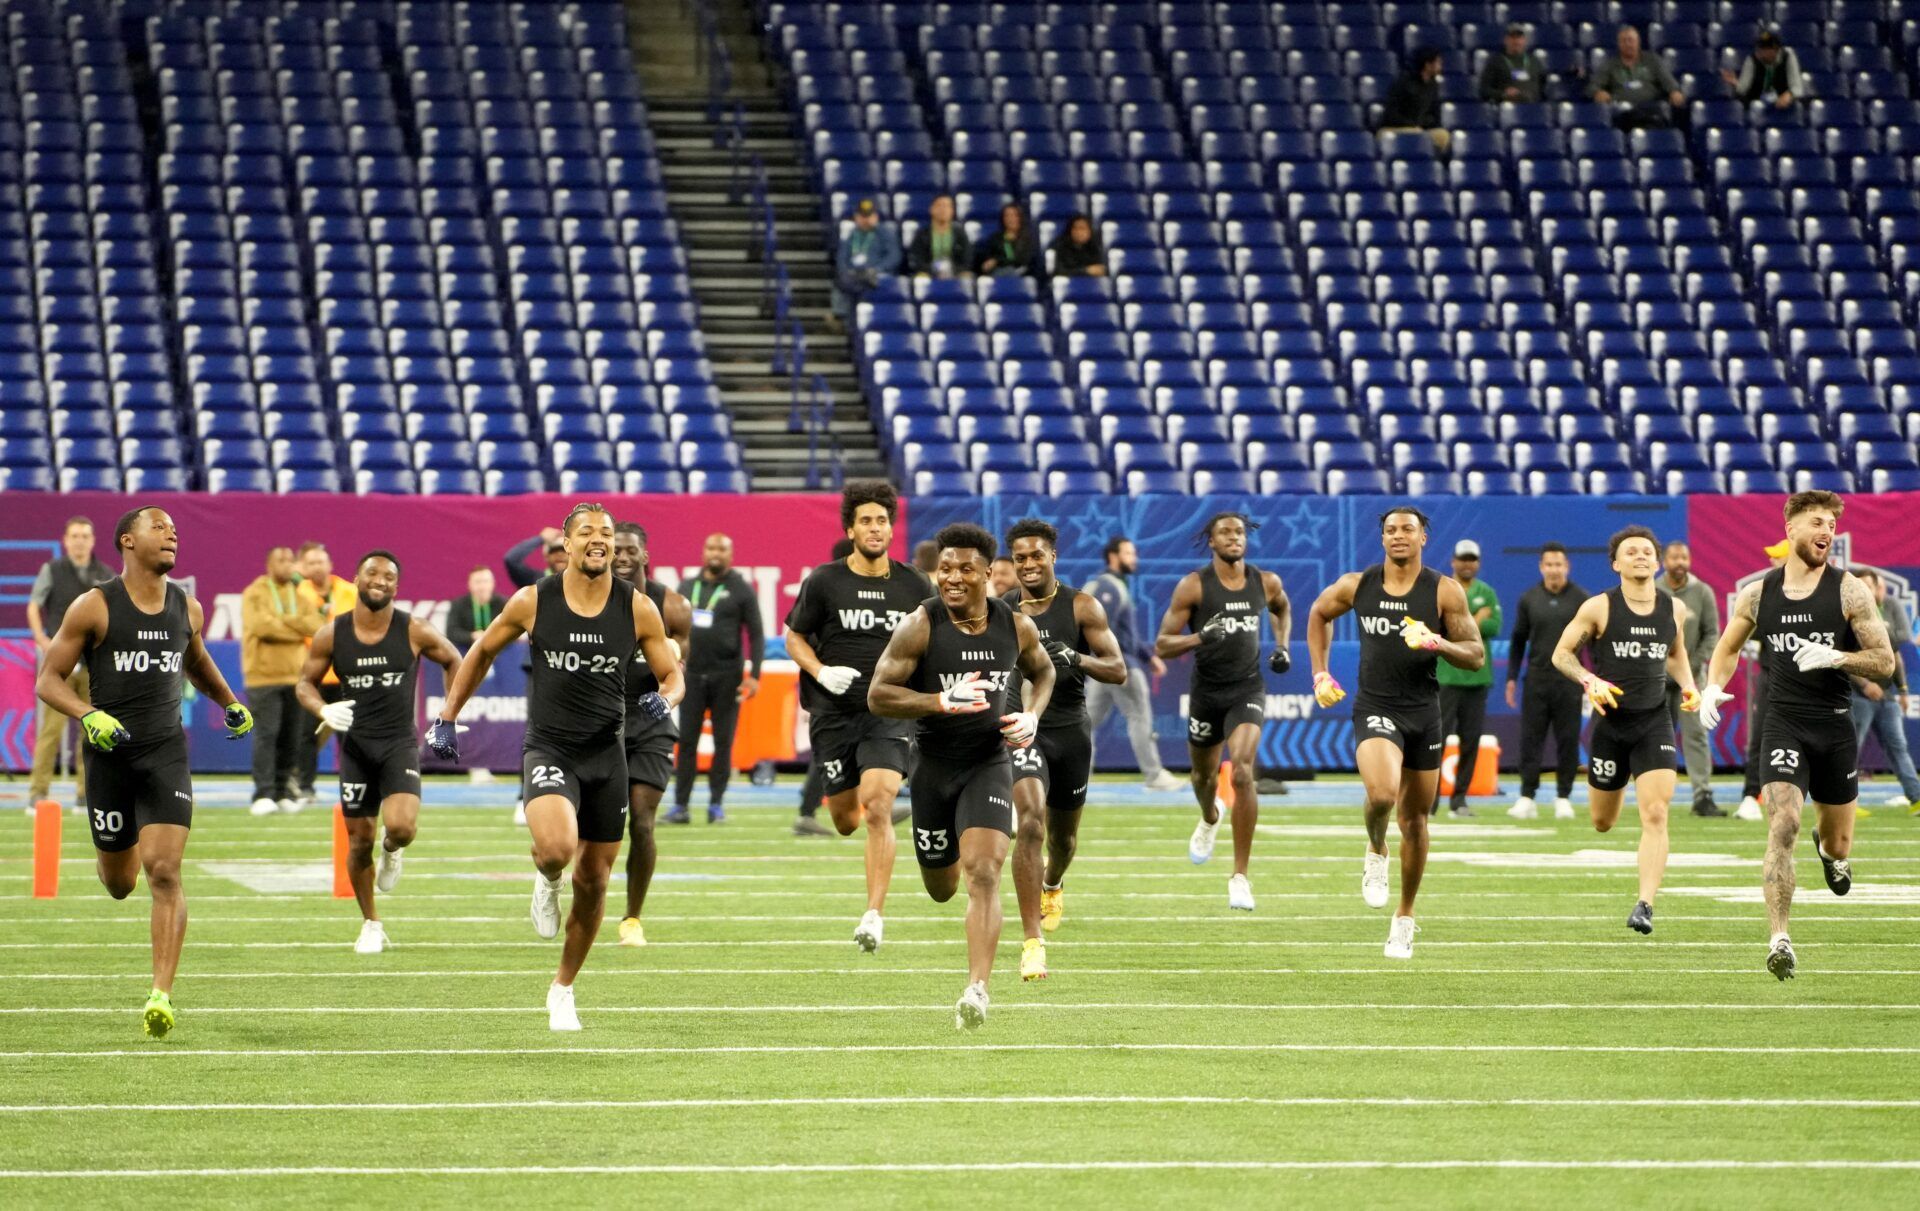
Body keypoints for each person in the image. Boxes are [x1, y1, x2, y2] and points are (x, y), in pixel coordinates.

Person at [427, 503, 683, 1029]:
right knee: (557, 849)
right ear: (564, 546)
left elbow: (671, 674)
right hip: (550, 748)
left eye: (606, 533)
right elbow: (479, 654)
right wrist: (447, 716)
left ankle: (563, 987)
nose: (599, 539)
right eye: (586, 532)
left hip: (607, 753)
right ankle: (545, 879)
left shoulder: (638, 608)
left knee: (595, 881)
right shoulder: (532, 600)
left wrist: (667, 699)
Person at [35, 506, 253, 1037]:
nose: (172, 533)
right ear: (127, 541)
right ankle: (118, 848)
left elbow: (195, 659)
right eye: (160, 527)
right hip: (109, 758)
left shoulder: (188, 607)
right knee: (119, 882)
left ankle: (161, 994)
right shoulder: (94, 606)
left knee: (164, 871)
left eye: (174, 528)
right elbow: (49, 680)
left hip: (164, 754)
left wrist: (230, 702)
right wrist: (89, 714)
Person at [1699, 491, 1894, 980]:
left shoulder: (1850, 591)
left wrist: (1837, 658)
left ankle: (1828, 853)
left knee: (1840, 842)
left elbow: (1885, 663)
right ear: (1790, 531)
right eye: (1816, 522)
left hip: (1834, 724)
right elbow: (1726, 648)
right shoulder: (1759, 593)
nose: (1826, 531)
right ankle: (1779, 937)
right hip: (1783, 723)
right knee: (1782, 821)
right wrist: (1711, 689)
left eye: (1831, 523)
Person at [868, 522, 1054, 1029]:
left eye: (964, 569)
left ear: (989, 573)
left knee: (985, 872)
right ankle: (937, 854)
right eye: (945, 568)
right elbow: (878, 694)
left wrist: (1032, 715)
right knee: (941, 886)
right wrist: (938, 700)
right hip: (932, 768)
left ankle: (977, 988)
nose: (951, 578)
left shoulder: (1015, 625)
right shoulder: (920, 625)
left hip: (988, 763)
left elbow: (1044, 672)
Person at [1308, 507, 1485, 961]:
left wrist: (1437, 642)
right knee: (1383, 795)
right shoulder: (1357, 584)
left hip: (1424, 712)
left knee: (1417, 821)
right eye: (1390, 530)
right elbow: (1318, 614)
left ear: (1424, 537)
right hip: (1375, 706)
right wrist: (1320, 673)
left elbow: (1475, 654)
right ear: (1382, 538)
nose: (1398, 536)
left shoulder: (1444, 591)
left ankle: (1404, 918)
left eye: (1408, 529)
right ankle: (1375, 848)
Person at [783, 482, 933, 948]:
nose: (875, 528)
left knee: (880, 802)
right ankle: (846, 811)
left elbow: (932, 643)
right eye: (866, 520)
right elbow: (794, 637)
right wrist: (821, 671)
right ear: (850, 528)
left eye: (882, 520)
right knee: (846, 817)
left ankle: (873, 914)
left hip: (887, 711)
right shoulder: (824, 581)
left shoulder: (914, 585)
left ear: (892, 528)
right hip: (832, 714)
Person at [296, 551, 461, 954]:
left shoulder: (413, 628)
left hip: (399, 744)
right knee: (357, 842)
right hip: (355, 746)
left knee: (401, 828)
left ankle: (392, 850)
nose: (380, 580)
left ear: (396, 586)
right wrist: (322, 708)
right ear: (356, 579)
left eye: (389, 576)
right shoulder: (333, 633)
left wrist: (448, 715)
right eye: (372, 573)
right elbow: (305, 684)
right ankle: (371, 922)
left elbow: (456, 660)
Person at [1550, 527, 1702, 936]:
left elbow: (1675, 654)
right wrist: (1588, 679)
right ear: (1616, 563)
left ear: (1657, 562)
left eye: (1646, 552)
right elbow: (1561, 654)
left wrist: (1689, 685)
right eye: (1630, 552)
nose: (1640, 556)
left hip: (1654, 721)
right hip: (1611, 726)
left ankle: (1645, 904)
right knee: (1603, 822)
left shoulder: (1674, 610)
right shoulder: (1599, 607)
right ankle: (1607, 810)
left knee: (1656, 813)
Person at [1003, 517, 1128, 981]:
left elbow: (1117, 670)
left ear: (1053, 556)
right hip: (1023, 728)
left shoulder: (1082, 607)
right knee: (1031, 821)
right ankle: (1031, 942)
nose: (1029, 564)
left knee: (1063, 838)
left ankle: (1053, 883)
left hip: (1070, 731)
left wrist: (1075, 657)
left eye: (1037, 555)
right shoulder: (1001, 609)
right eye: (1020, 558)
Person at [1155, 513, 1291, 911]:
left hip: (1247, 688)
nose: (1234, 537)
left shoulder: (1265, 582)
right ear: (1211, 542)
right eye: (1225, 533)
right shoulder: (1194, 586)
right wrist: (1200, 636)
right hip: (1206, 693)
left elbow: (1281, 609)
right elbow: (1163, 644)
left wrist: (1281, 646)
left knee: (1244, 771)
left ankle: (1240, 877)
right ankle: (1210, 817)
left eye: (1239, 532)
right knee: (1203, 777)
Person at [612, 523, 692, 948]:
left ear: (645, 554)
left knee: (642, 822)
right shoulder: (593, 600)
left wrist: (671, 656)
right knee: (597, 827)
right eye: (614, 552)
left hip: (652, 721)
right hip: (601, 719)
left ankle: (632, 918)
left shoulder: (673, 604)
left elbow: (681, 662)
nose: (621, 559)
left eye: (629, 551)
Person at [667, 532, 764, 824]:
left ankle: (716, 805)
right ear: (703, 551)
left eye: (722, 548)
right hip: (692, 674)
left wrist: (755, 675)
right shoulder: (687, 585)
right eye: (711, 547)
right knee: (686, 742)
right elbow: (671, 629)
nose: (716, 553)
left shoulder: (741, 589)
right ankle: (680, 806)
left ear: (731, 555)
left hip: (728, 676)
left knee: (723, 743)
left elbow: (756, 634)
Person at [26, 516, 115, 807]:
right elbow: (33, 605)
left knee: (92, 731)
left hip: (93, 666)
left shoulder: (105, 574)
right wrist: (42, 639)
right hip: (60, 668)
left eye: (85, 536)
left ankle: (86, 794)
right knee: (51, 731)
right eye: (74, 536)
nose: (79, 541)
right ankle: (38, 792)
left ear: (93, 540)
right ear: (65, 540)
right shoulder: (52, 569)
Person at [1086, 535, 1181, 791]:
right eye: (1129, 553)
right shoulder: (1108, 587)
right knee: (1140, 717)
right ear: (1114, 556)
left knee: (1084, 723)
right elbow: (1103, 628)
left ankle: (1078, 776)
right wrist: (1121, 662)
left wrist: (1149, 657)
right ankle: (1154, 775)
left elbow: (1126, 633)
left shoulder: (1114, 585)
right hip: (1120, 666)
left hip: (1101, 666)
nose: (1134, 559)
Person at [1505, 542, 1589, 819]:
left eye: (1558, 564)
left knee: (1567, 740)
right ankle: (1527, 796)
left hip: (1570, 681)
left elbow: (1595, 643)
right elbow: (1518, 641)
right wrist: (1511, 679)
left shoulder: (1581, 599)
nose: (1554, 569)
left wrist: (1592, 679)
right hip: (1537, 681)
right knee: (1531, 740)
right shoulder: (1529, 599)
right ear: (1541, 567)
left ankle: (1563, 797)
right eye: (1549, 564)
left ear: (1567, 567)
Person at [241, 546, 324, 816]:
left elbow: (315, 625)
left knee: (291, 737)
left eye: (291, 560)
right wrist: (295, 627)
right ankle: (263, 793)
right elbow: (261, 627)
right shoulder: (255, 592)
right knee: (267, 734)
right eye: (281, 560)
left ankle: (283, 791)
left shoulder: (299, 595)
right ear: (269, 564)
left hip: (295, 675)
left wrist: (283, 622)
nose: (287, 565)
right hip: (263, 677)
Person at [794, 536, 859, 836]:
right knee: (827, 756)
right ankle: (808, 811)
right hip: (830, 694)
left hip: (822, 693)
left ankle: (872, 802)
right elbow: (801, 638)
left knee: (837, 754)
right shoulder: (829, 592)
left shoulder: (823, 588)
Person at [1437, 538, 1501, 817]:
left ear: (1478, 563)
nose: (1466, 563)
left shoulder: (1486, 592)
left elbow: (1494, 626)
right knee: (1435, 741)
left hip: (1477, 678)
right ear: (1453, 561)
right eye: (1462, 558)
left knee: (1470, 741)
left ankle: (1459, 799)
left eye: (1471, 559)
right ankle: (1429, 801)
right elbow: (1441, 629)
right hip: (1446, 677)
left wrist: (1462, 624)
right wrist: (1474, 620)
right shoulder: (1441, 589)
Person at [1847, 569, 1920, 810]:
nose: (1867, 590)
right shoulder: (1844, 619)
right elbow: (1840, 659)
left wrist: (1903, 688)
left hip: (1887, 696)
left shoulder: (1880, 620)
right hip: (1858, 697)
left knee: (1898, 746)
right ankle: (1845, 803)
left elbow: (1895, 656)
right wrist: (1866, 685)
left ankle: (1917, 798)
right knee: (1849, 750)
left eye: (1871, 585)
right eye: (1862, 585)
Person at [1659, 541, 1722, 816]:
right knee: (1654, 737)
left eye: (1684, 557)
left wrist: (1690, 666)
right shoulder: (1652, 591)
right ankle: (1654, 793)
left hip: (1692, 680)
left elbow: (1712, 634)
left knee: (1696, 736)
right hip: (1656, 680)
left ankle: (1702, 795)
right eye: (1674, 557)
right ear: (1664, 561)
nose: (1680, 562)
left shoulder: (1702, 592)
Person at [292, 541, 356, 810]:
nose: (318, 566)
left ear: (330, 564)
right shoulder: (296, 593)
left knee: (349, 735)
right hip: (312, 676)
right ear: (304, 567)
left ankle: (353, 785)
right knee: (307, 734)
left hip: (344, 674)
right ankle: (304, 786)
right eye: (312, 562)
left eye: (322, 561)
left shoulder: (348, 591)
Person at [1735, 540, 1791, 821]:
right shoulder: (1765, 593)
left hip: (1813, 682)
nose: (1772, 562)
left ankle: (1830, 798)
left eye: (1778, 557)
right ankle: (1750, 795)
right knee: (1760, 739)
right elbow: (1746, 636)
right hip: (1772, 678)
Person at [1591, 24, 1686, 131]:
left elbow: (1669, 82)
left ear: (1638, 42)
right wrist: (1597, 93)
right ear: (1619, 44)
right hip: (1623, 112)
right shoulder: (1610, 65)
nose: (1628, 44)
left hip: (1650, 110)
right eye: (1624, 41)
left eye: (1631, 40)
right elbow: (1593, 87)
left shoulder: (1652, 60)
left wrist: (1674, 91)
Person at [832, 197, 901, 325]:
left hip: (876, 275)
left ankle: (855, 323)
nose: (866, 220)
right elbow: (842, 258)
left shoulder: (884, 234)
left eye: (869, 216)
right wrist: (846, 271)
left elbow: (894, 256)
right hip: (855, 276)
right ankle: (842, 321)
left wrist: (877, 269)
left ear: (876, 217)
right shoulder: (852, 235)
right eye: (862, 216)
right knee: (843, 282)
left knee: (867, 284)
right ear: (856, 217)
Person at [1378, 46, 1450, 156]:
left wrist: (1428, 124)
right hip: (1393, 129)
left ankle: (1434, 166)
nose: (1441, 66)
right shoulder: (1404, 82)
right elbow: (1391, 114)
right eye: (1438, 63)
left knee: (1443, 135)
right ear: (1427, 65)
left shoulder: (1433, 85)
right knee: (1417, 134)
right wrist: (1411, 125)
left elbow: (1434, 112)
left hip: (1419, 129)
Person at [1720, 29, 1804, 110]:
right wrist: (1735, 82)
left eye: (1764, 49)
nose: (1760, 52)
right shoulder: (1751, 60)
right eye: (1759, 48)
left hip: (1784, 106)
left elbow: (1797, 87)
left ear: (1774, 50)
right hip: (1758, 104)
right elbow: (1743, 88)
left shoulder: (1788, 57)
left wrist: (1789, 94)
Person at [905, 193, 971, 279]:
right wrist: (933, 269)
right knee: (920, 279)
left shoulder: (960, 233)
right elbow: (916, 259)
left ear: (952, 211)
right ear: (931, 209)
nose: (943, 209)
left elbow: (967, 258)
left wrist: (952, 269)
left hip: (955, 272)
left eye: (947, 206)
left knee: (967, 278)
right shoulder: (922, 234)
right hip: (928, 273)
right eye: (939, 206)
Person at [446, 564, 509, 653]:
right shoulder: (458, 604)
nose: (482, 586)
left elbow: (511, 630)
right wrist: (472, 636)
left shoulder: (504, 604)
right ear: (469, 584)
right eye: (477, 582)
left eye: (485, 581)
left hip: (499, 652)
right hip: (466, 650)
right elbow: (451, 632)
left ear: (493, 583)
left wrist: (492, 637)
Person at [1478, 23, 1545, 104]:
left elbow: (1543, 87)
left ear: (1524, 41)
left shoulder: (1534, 61)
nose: (1516, 41)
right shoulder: (1496, 61)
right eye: (1512, 37)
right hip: (1507, 108)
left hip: (1532, 108)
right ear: (1505, 40)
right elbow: (1484, 90)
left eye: (1519, 37)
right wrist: (1503, 94)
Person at [974, 202, 1038, 278]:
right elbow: (989, 257)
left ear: (1019, 218)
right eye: (1007, 216)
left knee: (1009, 270)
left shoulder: (1028, 239)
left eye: (1013, 216)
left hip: (1022, 274)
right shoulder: (996, 238)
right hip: (999, 272)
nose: (1010, 219)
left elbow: (1018, 260)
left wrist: (997, 261)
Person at [1050, 213, 1105, 277]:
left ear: (1090, 232)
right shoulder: (1059, 246)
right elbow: (1057, 271)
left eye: (1082, 228)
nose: (1079, 232)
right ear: (1070, 231)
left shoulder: (1095, 247)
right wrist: (1086, 271)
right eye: (1075, 228)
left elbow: (1099, 270)